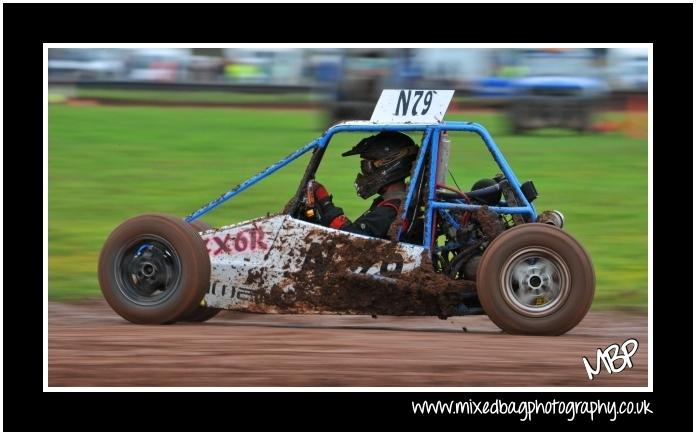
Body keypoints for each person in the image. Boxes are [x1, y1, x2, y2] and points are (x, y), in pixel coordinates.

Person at [310, 131, 419, 239]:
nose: (364, 173)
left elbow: (353, 239)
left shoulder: (391, 209)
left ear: (389, 164)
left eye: (366, 166)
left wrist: (325, 203)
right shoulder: (399, 201)